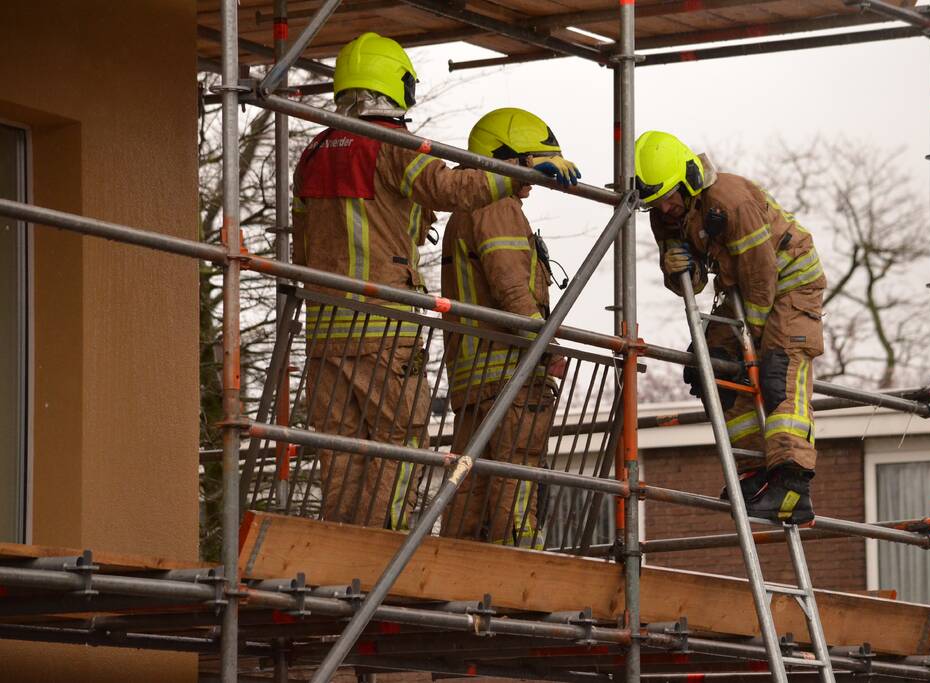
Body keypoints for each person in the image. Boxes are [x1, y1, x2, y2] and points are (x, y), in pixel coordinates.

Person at [291, 33, 579, 529]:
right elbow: (448, 186)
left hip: (323, 330)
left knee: (341, 449)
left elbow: (307, 240)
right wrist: (518, 174)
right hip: (383, 328)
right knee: (402, 443)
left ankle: (347, 547)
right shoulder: (392, 144)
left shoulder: (314, 153)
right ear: (394, 85)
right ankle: (388, 547)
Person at [634, 130, 826, 524]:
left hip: (789, 284)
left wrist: (747, 341)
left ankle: (791, 487)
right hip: (741, 290)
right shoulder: (664, 215)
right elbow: (691, 284)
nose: (666, 208)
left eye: (669, 197)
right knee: (711, 368)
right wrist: (676, 268)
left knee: (777, 372)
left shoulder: (731, 200)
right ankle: (756, 472)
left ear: (688, 180)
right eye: (656, 202)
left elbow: (761, 276)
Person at [438, 108, 577, 547]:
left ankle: (458, 563)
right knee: (516, 474)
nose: (533, 183)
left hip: (474, 378)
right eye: (531, 168)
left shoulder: (464, 210)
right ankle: (520, 560)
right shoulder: (498, 205)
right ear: (506, 159)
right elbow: (511, 285)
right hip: (511, 377)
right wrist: (546, 347)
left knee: (471, 484)